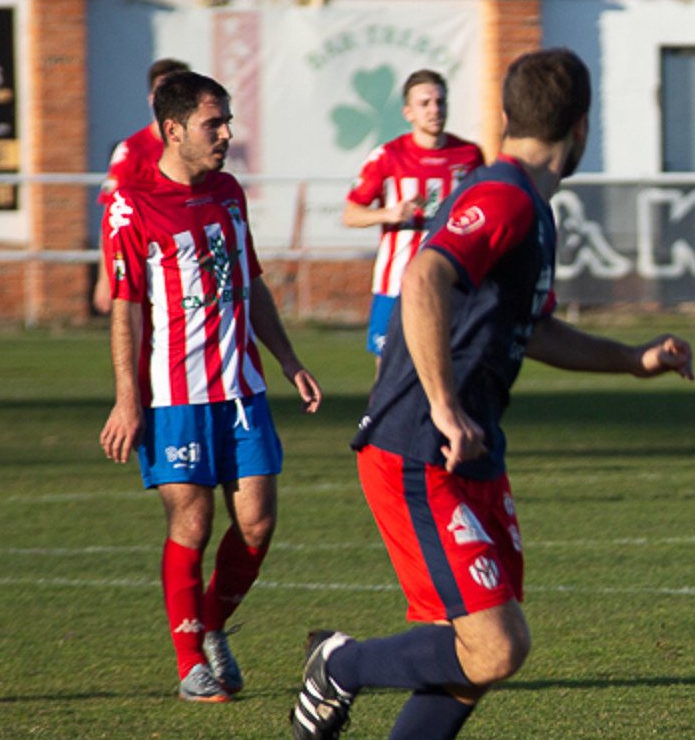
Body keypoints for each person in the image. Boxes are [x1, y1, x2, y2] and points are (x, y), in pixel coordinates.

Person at [291, 48, 694, 740]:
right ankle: (338, 663)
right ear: (582, 128)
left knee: (475, 655)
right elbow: (426, 281)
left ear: (508, 118)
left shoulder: (531, 209)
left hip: (470, 451)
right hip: (418, 444)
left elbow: (533, 330)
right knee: (495, 645)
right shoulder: (502, 195)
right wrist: (440, 401)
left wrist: (632, 361)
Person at [99, 71, 323, 701]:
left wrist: (287, 360)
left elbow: (249, 285)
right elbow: (127, 308)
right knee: (191, 525)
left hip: (240, 390)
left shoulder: (228, 193)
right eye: (213, 123)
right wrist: (127, 398)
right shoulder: (133, 205)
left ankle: (215, 626)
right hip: (173, 398)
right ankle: (190, 660)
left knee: (257, 524)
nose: (226, 134)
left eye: (226, 121)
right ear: (173, 131)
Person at [341, 70, 484, 369]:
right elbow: (350, 214)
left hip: (450, 283)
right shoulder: (387, 156)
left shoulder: (468, 156)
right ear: (408, 112)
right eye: (425, 103)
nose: (435, 109)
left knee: (451, 372)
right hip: (395, 284)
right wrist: (389, 213)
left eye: (440, 102)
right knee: (388, 373)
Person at [93, 58, 191, 314]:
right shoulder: (133, 150)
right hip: (148, 266)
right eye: (165, 91)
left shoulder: (195, 149)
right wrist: (106, 278)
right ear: (151, 98)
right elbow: (113, 216)